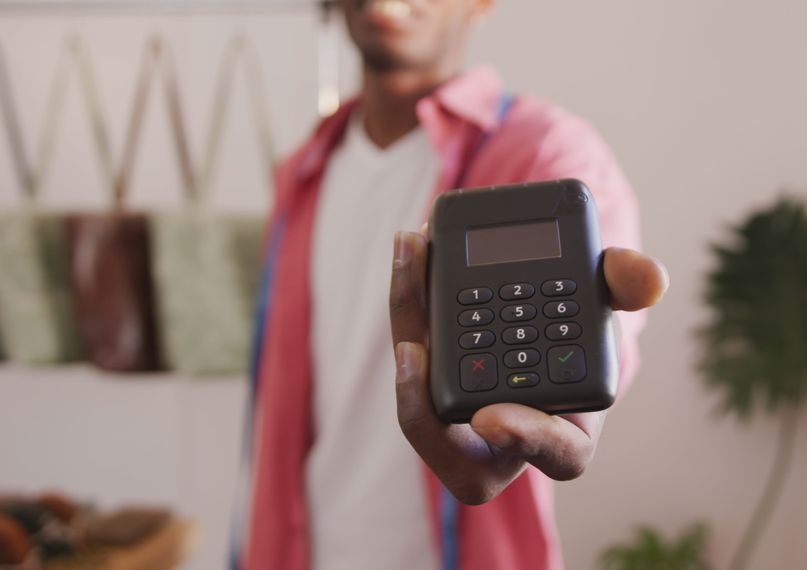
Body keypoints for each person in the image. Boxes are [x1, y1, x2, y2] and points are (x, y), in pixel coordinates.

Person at [239, 0, 669, 569]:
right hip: (304, 548)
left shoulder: (550, 151)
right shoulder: (301, 171)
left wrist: (579, 399)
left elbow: (606, 321)